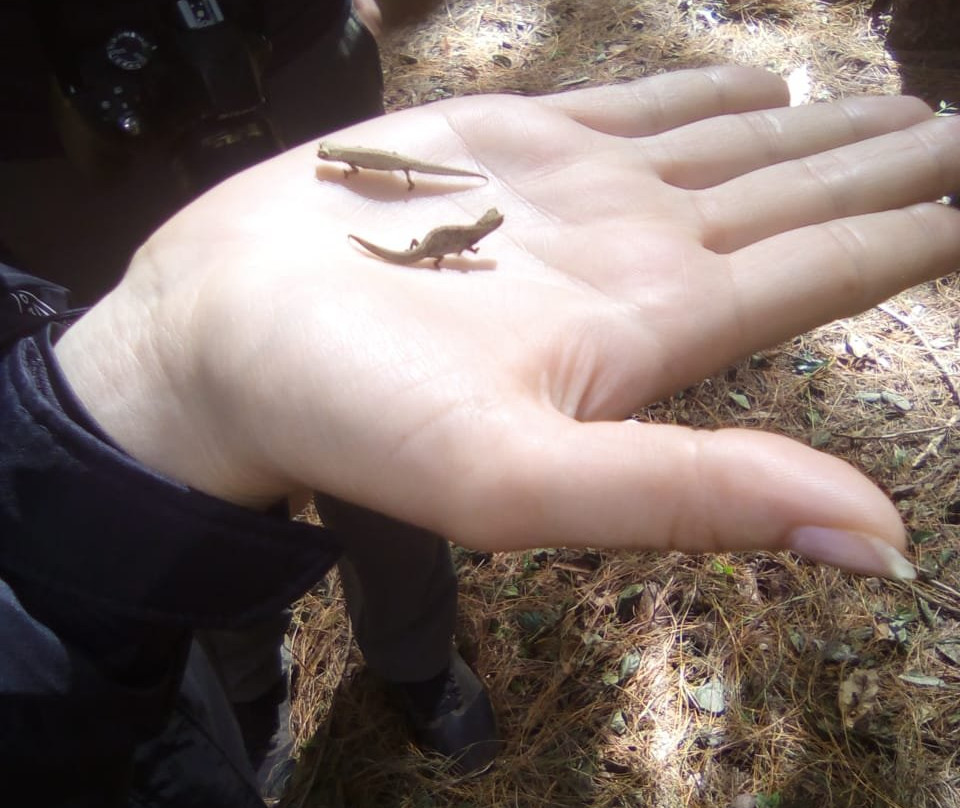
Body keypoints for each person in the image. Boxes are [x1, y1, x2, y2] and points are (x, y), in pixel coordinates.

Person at [2, 44, 959, 808]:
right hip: (57, 132)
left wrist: (120, 401)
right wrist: (147, 365)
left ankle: (402, 662)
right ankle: (245, 671)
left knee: (377, 492)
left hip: (290, 61)